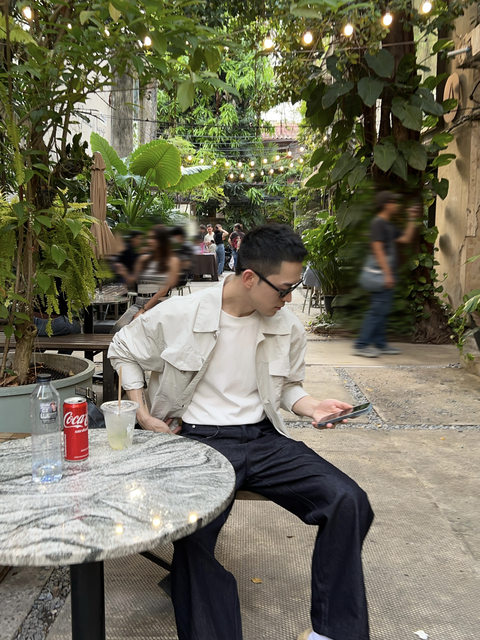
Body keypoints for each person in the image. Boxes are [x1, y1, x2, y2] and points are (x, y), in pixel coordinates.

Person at [108, 223, 374, 640]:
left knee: (348, 501)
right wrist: (142, 413)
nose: (289, 299)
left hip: (263, 439)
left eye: (294, 288)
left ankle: (333, 633)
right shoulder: (181, 314)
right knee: (192, 538)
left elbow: (288, 388)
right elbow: (123, 347)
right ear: (249, 277)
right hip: (196, 442)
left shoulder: (287, 326)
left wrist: (312, 406)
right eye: (284, 289)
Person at [354, 191, 421, 358]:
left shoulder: (388, 225)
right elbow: (378, 250)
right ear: (386, 204)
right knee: (376, 311)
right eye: (394, 202)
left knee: (382, 310)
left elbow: (405, 238)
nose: (397, 205)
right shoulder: (378, 223)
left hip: (384, 275)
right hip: (380, 275)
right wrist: (388, 274)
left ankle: (380, 344)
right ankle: (361, 345)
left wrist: (411, 218)